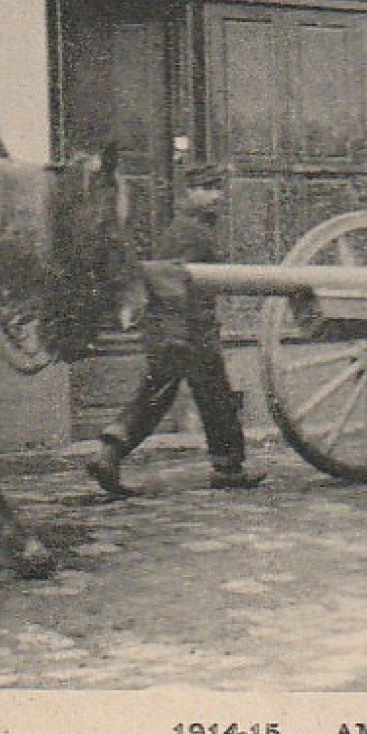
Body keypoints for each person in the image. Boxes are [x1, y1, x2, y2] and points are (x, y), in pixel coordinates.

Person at [85, 164, 264, 499]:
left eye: (217, 188)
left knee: (201, 396)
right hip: (185, 330)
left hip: (181, 329)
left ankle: (227, 466)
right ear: (189, 193)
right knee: (183, 396)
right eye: (208, 188)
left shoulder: (189, 228)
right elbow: (175, 284)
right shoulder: (191, 232)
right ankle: (110, 454)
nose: (217, 196)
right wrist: (189, 333)